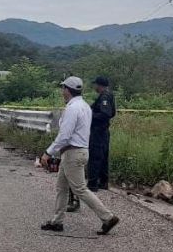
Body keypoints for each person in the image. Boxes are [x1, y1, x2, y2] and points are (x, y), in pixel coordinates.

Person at [40, 77, 119, 235]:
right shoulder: (84, 106)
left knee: (80, 189)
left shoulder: (72, 108)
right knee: (61, 187)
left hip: (72, 153)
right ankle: (57, 221)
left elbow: (64, 136)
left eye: (63, 88)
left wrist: (48, 152)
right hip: (79, 151)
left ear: (67, 90)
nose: (62, 91)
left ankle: (107, 217)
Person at [67, 76, 116, 211]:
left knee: (96, 156)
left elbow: (106, 114)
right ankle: (103, 182)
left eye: (96, 85)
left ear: (100, 85)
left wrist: (90, 115)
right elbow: (112, 113)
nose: (95, 87)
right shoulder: (108, 95)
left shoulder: (104, 96)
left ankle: (93, 183)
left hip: (98, 131)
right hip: (104, 131)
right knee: (104, 156)